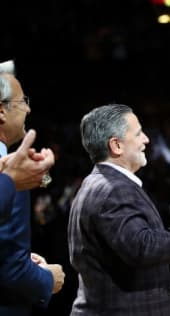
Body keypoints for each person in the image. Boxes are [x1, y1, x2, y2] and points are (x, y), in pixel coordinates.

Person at [68, 104, 170, 315]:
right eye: (138, 134)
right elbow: (142, 246)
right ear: (116, 145)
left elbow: (140, 246)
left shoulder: (103, 184)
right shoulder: (112, 189)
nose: (146, 139)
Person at [0, 61, 65, 315]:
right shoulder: (11, 174)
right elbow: (10, 271)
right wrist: (49, 280)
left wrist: (23, 257)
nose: (28, 108)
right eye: (21, 101)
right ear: (2, 111)